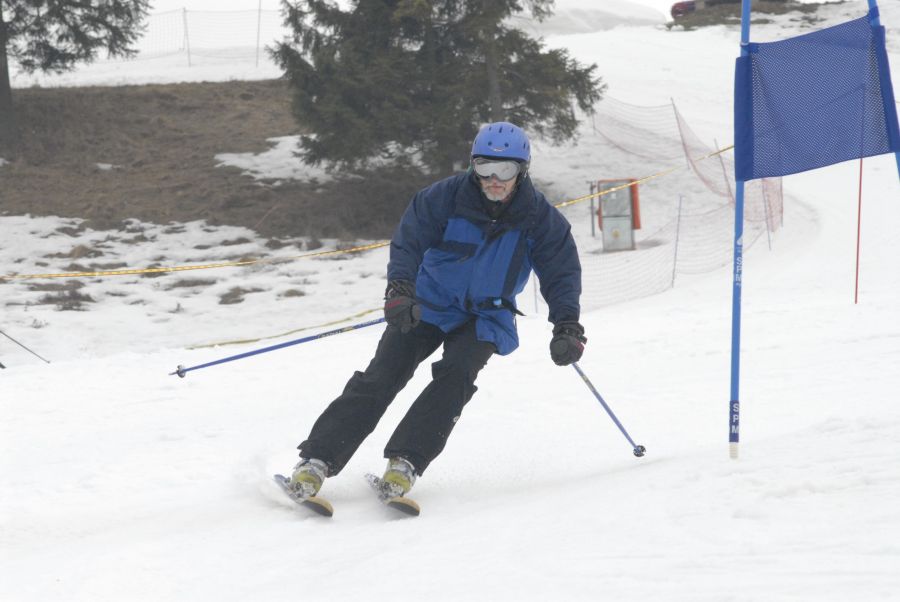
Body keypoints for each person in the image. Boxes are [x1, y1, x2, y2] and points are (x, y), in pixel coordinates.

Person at [287, 121, 586, 500]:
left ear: (522, 170)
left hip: (485, 316)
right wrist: (399, 290)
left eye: (505, 170)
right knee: (383, 376)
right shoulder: (441, 199)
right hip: (427, 305)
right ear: (471, 166)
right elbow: (409, 244)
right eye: (484, 168)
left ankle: (405, 463)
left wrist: (567, 326)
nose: (494, 180)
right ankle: (315, 461)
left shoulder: (539, 219)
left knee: (456, 376)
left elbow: (561, 273)